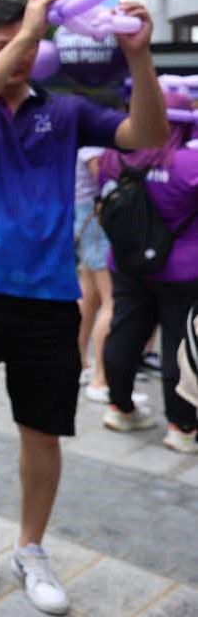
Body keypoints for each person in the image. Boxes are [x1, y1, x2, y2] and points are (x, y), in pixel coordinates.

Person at [0, 0, 168, 613]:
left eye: (31, 42)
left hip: (47, 296)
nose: (21, 52)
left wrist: (139, 59)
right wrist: (30, 28)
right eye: (5, 41)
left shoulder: (64, 112)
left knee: (44, 430)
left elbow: (147, 135)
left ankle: (30, 547)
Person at [96, 92, 198, 454]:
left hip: (124, 262)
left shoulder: (112, 156)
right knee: (179, 344)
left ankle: (119, 407)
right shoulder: (190, 163)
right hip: (182, 270)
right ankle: (182, 426)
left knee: (124, 333)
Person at [73, 145, 116, 403]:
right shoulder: (92, 146)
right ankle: (101, 378)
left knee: (89, 296)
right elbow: (102, 177)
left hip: (86, 219)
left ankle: (80, 363)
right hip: (95, 221)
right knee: (112, 302)